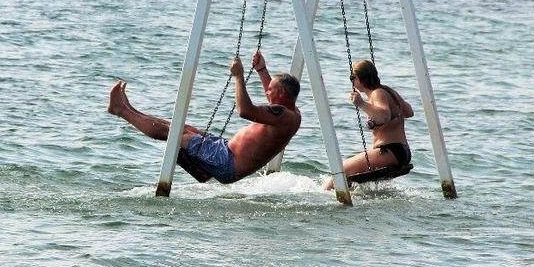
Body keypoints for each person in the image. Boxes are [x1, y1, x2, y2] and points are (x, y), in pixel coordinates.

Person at [108, 50, 301, 184]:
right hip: (225, 150)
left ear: (282, 94)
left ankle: (121, 111)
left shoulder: (283, 115)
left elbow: (245, 111)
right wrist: (261, 70)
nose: (267, 92)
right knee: (182, 127)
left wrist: (239, 76)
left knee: (175, 134)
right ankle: (127, 107)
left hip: (227, 162)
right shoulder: (291, 112)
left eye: (270, 90)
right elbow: (273, 94)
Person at [323, 60, 414, 190]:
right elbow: (409, 112)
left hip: (390, 151)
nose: (352, 82)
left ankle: (325, 200)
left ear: (361, 78)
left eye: (352, 77)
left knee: (339, 171)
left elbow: (384, 116)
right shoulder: (387, 90)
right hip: (402, 151)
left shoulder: (378, 93)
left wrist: (361, 103)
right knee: (349, 175)